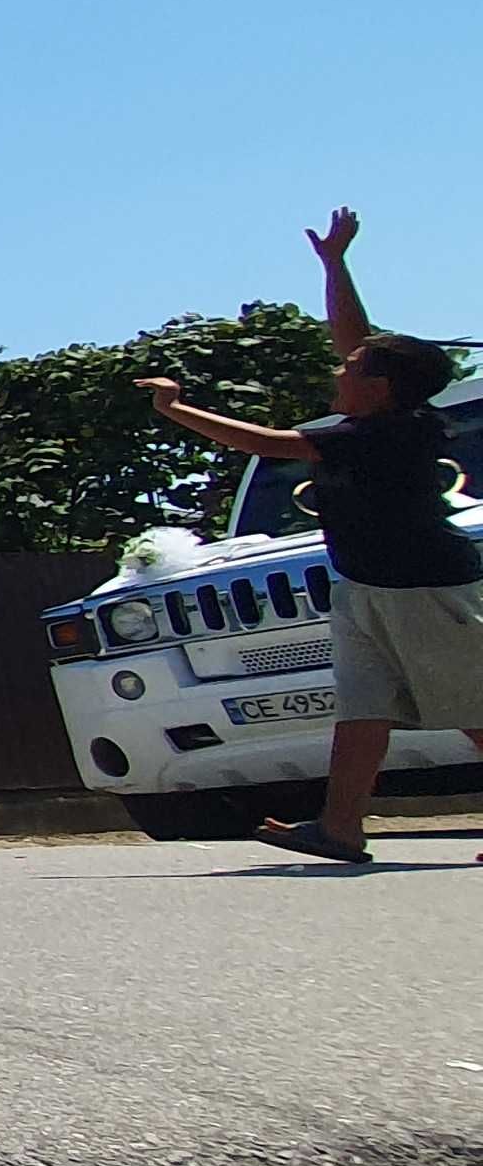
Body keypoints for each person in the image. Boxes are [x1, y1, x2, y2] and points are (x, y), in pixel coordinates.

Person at [135, 208, 480, 865]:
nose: (337, 372)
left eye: (349, 370)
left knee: (475, 706)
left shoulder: (383, 434)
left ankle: (341, 825)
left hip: (426, 588)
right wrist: (335, 264)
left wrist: (175, 407)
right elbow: (359, 341)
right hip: (364, 586)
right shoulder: (388, 408)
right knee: (363, 711)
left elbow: (267, 442)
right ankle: (341, 828)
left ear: (377, 388)